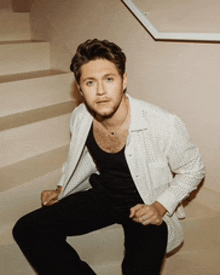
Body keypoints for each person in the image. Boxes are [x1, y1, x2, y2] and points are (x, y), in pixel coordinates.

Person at [13, 39, 205, 275]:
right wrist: (62, 186)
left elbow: (193, 169)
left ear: (124, 80)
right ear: (80, 88)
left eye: (109, 79)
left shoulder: (163, 123)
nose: (101, 91)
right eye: (90, 82)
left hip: (146, 200)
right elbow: (78, 155)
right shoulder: (80, 117)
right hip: (103, 195)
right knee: (27, 229)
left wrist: (160, 206)